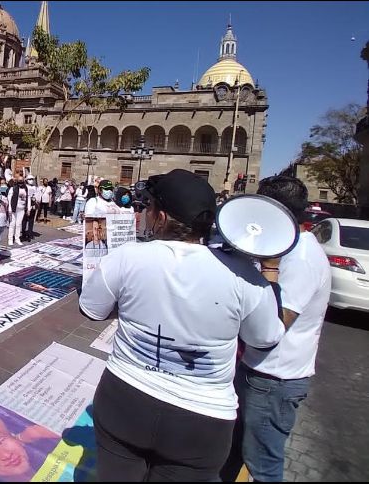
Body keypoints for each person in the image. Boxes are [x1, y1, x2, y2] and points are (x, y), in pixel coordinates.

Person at [79, 169, 285, 481]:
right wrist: (269, 272)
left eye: (148, 208)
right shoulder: (246, 277)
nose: (144, 215)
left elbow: (93, 309)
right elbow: (265, 338)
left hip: (124, 400)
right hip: (202, 422)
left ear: (161, 217)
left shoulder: (127, 257)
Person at [230, 175, 331, 482]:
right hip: (257, 372)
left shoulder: (301, 258)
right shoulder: (285, 248)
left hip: (272, 380)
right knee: (235, 452)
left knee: (262, 465)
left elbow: (272, 328)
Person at [7, 175, 30, 246]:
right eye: (19, 181)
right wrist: (10, 209)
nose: (20, 182)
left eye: (22, 181)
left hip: (22, 209)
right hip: (14, 208)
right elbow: (9, 199)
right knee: (12, 224)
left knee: (18, 224)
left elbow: (28, 198)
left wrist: (28, 208)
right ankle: (10, 239)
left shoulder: (26, 188)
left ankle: (17, 238)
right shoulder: (13, 188)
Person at [21, 174, 38, 242]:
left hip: (33, 205)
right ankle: (23, 234)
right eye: (30, 179)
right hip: (25, 206)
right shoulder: (24, 187)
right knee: (24, 220)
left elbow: (37, 195)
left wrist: (35, 199)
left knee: (31, 220)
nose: (31, 180)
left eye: (32, 179)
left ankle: (30, 233)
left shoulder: (35, 187)